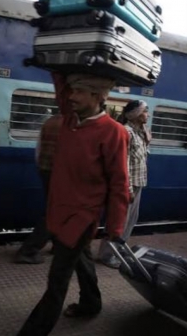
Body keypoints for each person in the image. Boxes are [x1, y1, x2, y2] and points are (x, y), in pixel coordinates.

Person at [16, 73, 130, 336]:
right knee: (81, 258)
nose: (71, 97)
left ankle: (33, 331)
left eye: (79, 92)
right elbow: (62, 91)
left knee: (57, 279)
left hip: (80, 218)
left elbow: (118, 184)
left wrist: (115, 228)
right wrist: (57, 70)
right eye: (72, 91)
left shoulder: (114, 132)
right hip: (58, 212)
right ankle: (91, 303)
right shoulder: (70, 122)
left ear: (98, 96)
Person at [97, 99, 151, 269]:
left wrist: (146, 137)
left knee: (130, 221)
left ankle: (118, 249)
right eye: (144, 111)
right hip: (128, 185)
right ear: (134, 115)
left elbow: (142, 156)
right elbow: (124, 163)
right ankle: (106, 255)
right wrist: (127, 189)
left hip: (138, 183)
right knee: (119, 220)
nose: (147, 115)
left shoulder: (140, 132)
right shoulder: (126, 132)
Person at [14, 113, 63, 264]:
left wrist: (41, 167)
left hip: (46, 169)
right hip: (61, 173)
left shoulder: (51, 121)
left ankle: (59, 245)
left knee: (57, 209)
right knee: (56, 212)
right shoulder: (72, 123)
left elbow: (39, 147)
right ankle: (28, 250)